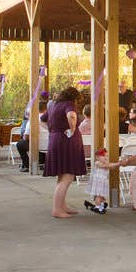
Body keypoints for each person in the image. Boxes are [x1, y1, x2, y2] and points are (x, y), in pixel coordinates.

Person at [41, 86, 87, 218]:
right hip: (67, 142)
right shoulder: (69, 104)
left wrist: (53, 129)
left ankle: (62, 205)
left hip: (55, 139)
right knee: (68, 175)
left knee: (62, 174)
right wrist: (72, 128)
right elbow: (71, 115)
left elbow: (42, 120)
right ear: (73, 98)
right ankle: (57, 209)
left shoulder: (53, 105)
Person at [16, 103, 47, 173]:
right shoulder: (51, 118)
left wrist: (24, 137)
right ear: (46, 109)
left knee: (20, 144)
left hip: (37, 145)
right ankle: (42, 162)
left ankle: (27, 165)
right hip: (50, 145)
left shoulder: (33, 119)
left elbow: (26, 136)